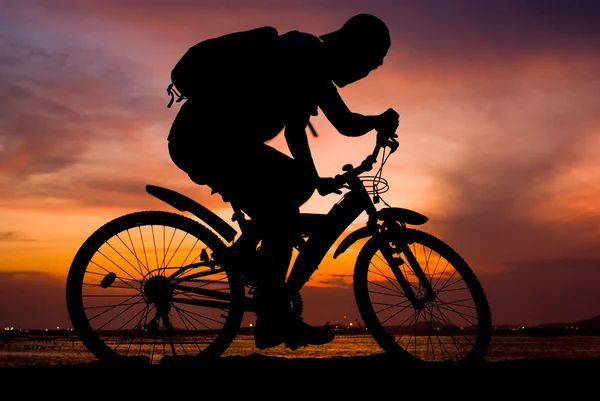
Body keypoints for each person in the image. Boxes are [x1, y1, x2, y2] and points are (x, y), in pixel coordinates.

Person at [167, 13, 400, 350]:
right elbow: (325, 126)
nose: (368, 70)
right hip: (206, 141)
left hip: (216, 141)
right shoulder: (306, 56)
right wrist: (379, 121)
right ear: (353, 47)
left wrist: (317, 178)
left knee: (294, 189)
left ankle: (257, 277)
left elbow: (318, 127)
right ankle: (272, 313)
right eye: (370, 60)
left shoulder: (308, 59)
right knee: (287, 204)